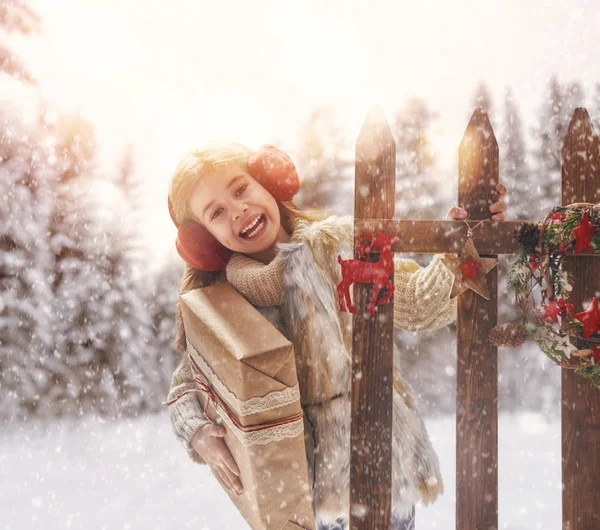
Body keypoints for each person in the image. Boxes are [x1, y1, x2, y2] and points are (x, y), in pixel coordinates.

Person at [164, 142, 507, 530]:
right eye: (217, 213)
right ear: (206, 240)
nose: (238, 210)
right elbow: (189, 382)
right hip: (293, 488)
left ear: (267, 182)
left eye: (241, 190)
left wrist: (466, 246)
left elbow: (418, 303)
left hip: (376, 460)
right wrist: (198, 432)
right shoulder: (222, 303)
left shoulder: (336, 248)